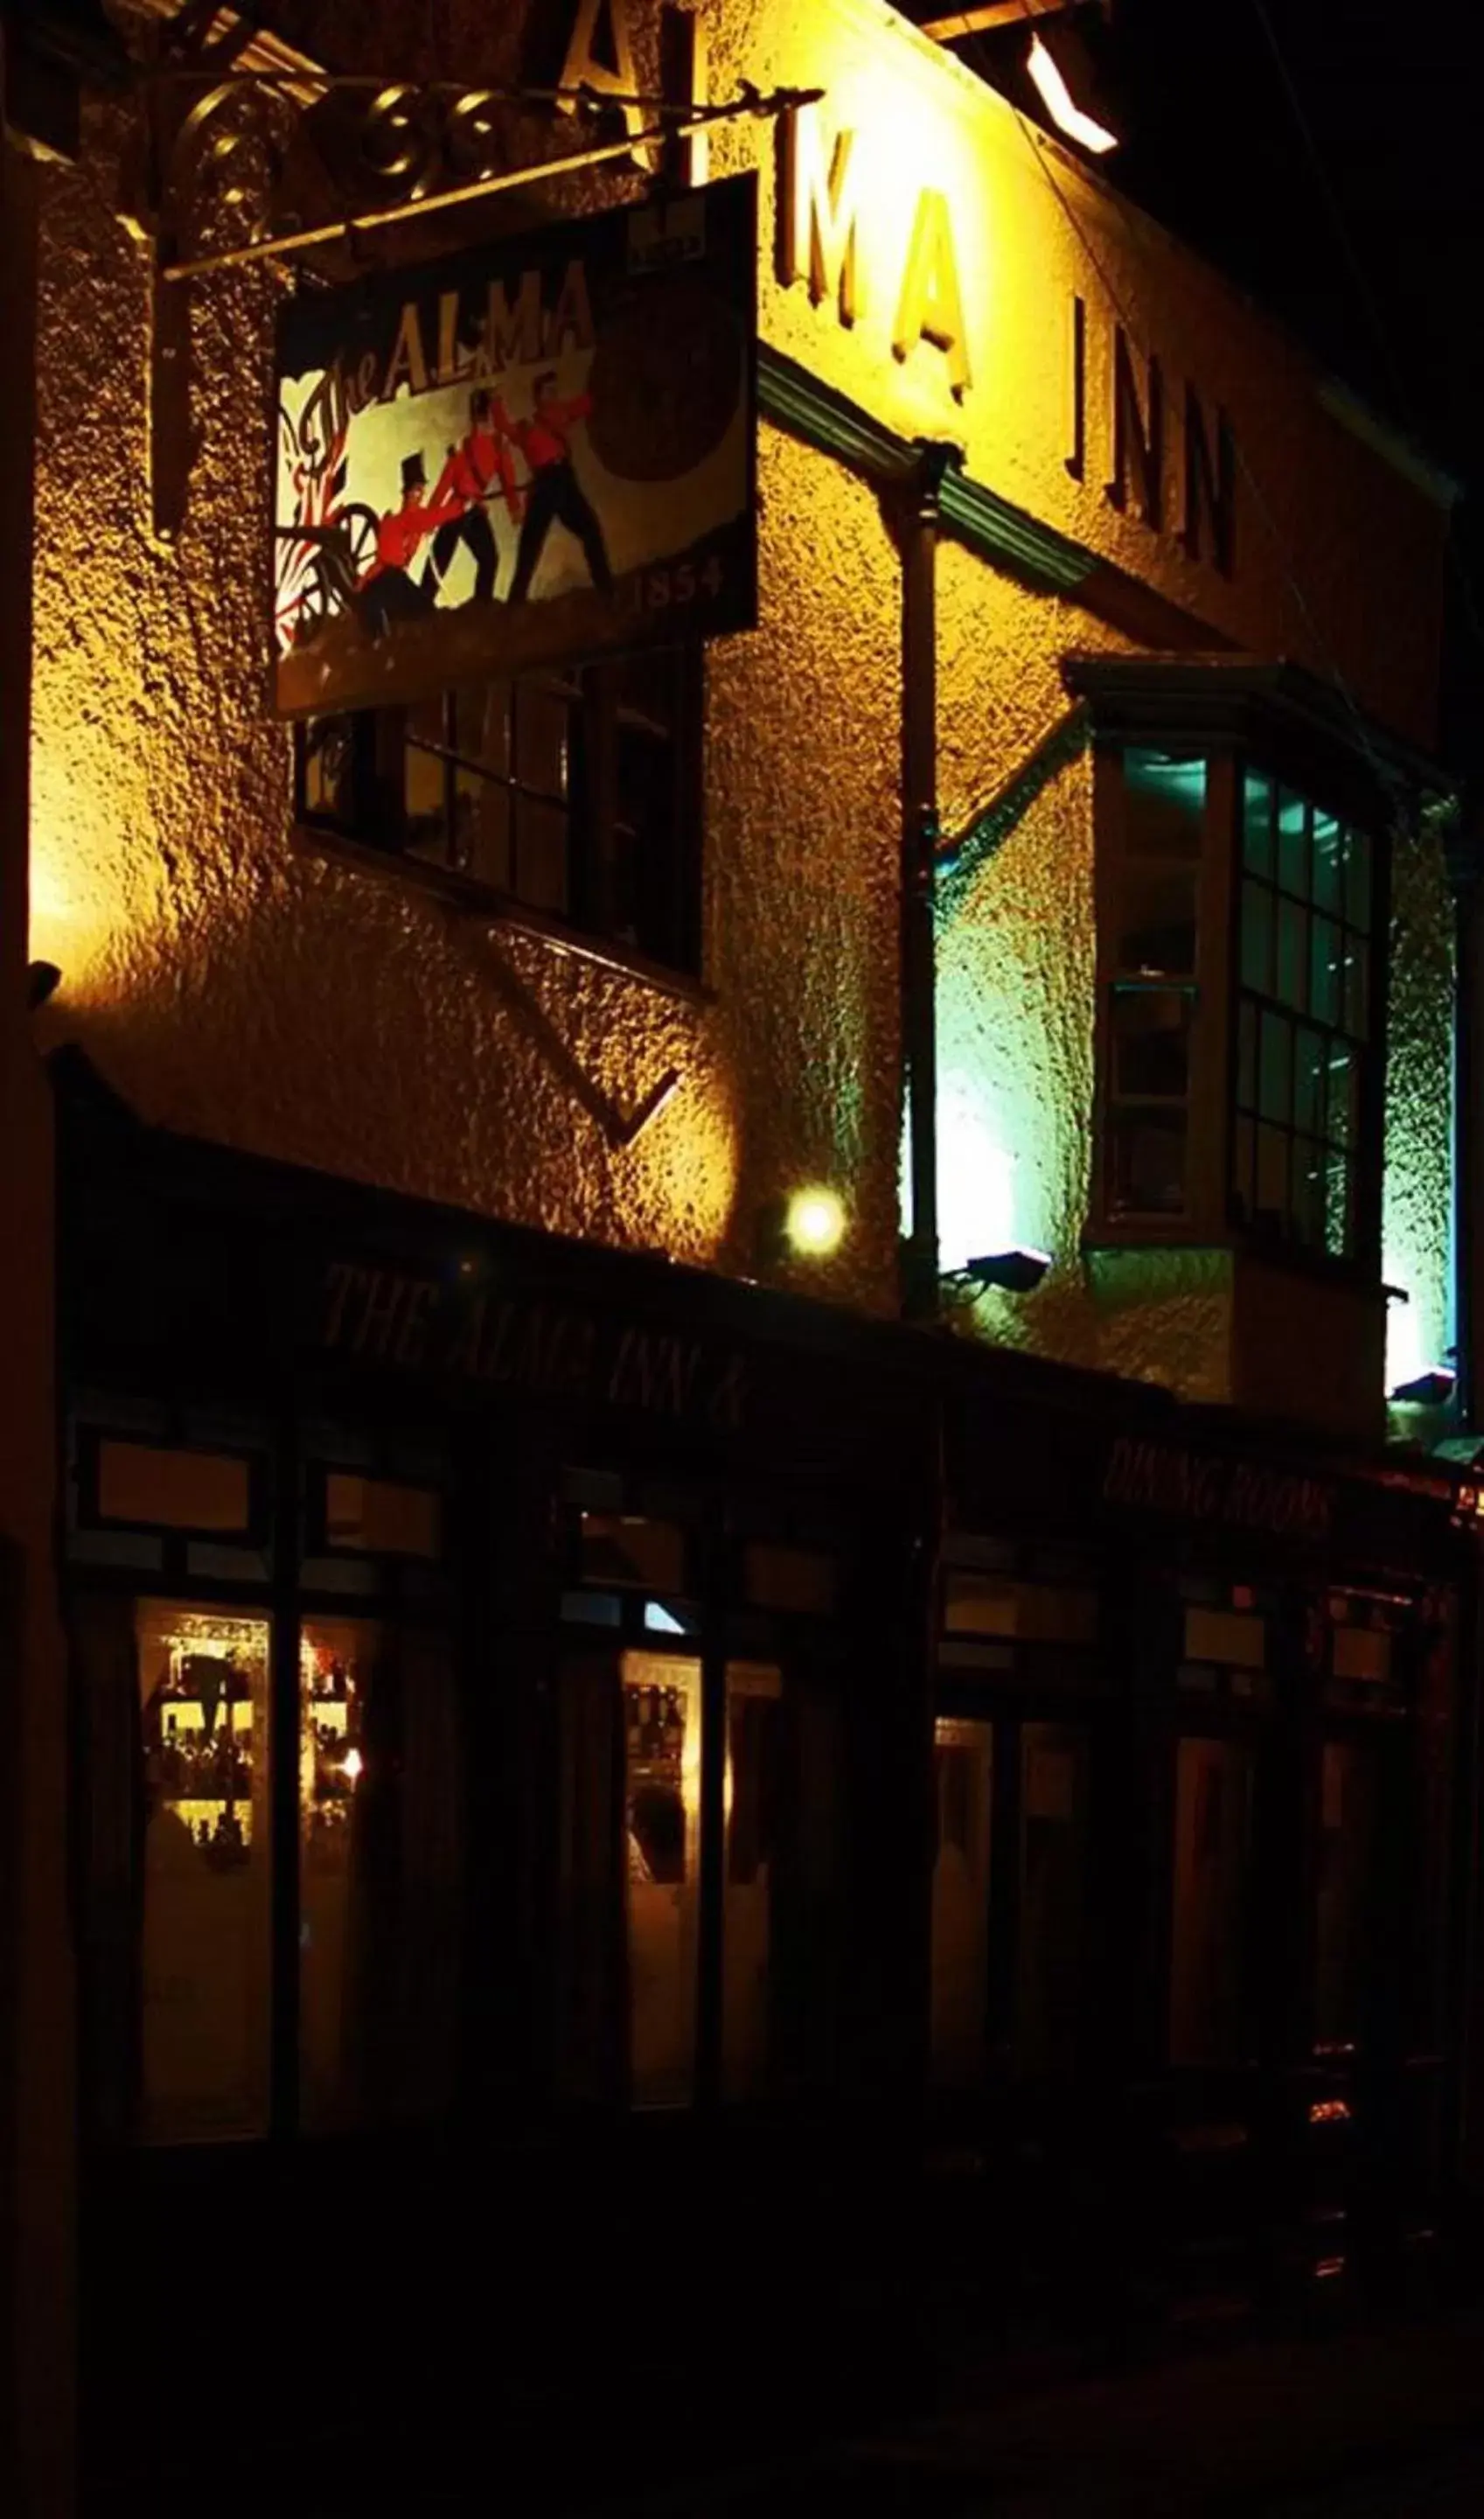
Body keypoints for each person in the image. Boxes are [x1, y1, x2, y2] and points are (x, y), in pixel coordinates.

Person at [505, 371, 614, 604]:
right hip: (546, 481)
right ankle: (515, 601)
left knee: (590, 529)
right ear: (538, 396)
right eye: (549, 391)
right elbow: (508, 430)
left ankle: (606, 590)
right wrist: (493, 404)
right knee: (531, 543)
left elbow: (586, 403)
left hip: (564, 478)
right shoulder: (529, 427)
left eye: (555, 390)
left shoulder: (561, 412)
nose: (554, 395)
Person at [422, 387, 524, 605]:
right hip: (460, 509)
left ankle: (479, 605)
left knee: (480, 559)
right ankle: (479, 604)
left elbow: (444, 485)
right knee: (476, 560)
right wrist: (514, 506)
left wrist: (431, 516)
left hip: (461, 510)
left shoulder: (476, 445)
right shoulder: (490, 445)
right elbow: (507, 480)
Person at [358, 452, 463, 638]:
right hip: (387, 578)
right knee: (425, 610)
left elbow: (435, 511)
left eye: (422, 489)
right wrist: (460, 508)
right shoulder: (405, 518)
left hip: (390, 579)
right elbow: (436, 516)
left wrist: (452, 465)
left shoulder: (410, 517)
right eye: (417, 489)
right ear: (407, 493)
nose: (421, 494)